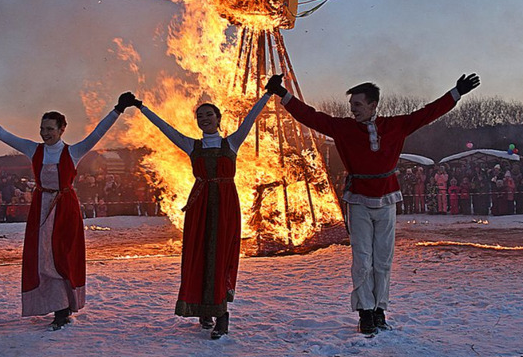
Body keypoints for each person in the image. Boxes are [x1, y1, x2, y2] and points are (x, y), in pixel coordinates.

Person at [265, 73, 480, 334]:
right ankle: (365, 311)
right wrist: (284, 95)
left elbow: (428, 113)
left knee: (383, 259)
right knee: (362, 259)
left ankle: (380, 309)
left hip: (387, 197)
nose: (352, 109)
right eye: (351, 105)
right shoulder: (343, 128)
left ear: (373, 105)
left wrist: (455, 93)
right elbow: (311, 116)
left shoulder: (396, 126)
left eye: (357, 104)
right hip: (358, 200)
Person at [0, 93, 134, 329]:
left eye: (50, 129)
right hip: (41, 207)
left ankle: (64, 307)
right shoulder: (33, 150)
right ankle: (58, 306)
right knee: (44, 257)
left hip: (65, 208)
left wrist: (117, 109)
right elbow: (2, 134)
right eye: (42, 128)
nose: (45, 133)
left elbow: (98, 133)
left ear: (61, 130)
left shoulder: (74, 152)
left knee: (62, 256)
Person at [130, 91, 270, 339]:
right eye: (200, 116)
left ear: (218, 118)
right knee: (199, 255)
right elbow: (165, 128)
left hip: (226, 206)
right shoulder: (192, 145)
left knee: (219, 256)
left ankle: (221, 315)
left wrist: (268, 93)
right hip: (200, 206)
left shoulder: (231, 143)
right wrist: (142, 108)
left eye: (209, 115)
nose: (204, 119)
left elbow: (250, 118)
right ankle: (205, 310)